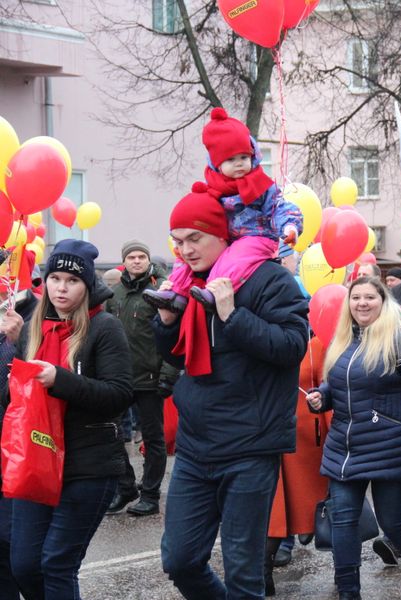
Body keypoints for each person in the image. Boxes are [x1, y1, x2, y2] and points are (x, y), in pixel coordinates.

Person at [152, 184, 309, 599]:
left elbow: (293, 345)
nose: (185, 250)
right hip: (195, 445)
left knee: (244, 570)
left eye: (195, 239)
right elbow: (179, 355)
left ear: (223, 234)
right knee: (180, 560)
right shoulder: (187, 281)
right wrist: (167, 323)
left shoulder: (268, 277)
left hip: (250, 447)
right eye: (179, 241)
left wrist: (232, 315)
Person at [5, 240, 133, 599]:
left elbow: (119, 395)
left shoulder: (104, 328)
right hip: (36, 459)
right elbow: (9, 394)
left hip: (88, 464)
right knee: (25, 566)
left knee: (56, 565)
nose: (61, 287)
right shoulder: (33, 327)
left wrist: (61, 380)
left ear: (87, 285)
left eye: (72, 281)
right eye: (55, 278)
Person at [307, 276, 401, 600]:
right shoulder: (342, 339)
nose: (362, 303)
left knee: (394, 524)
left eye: (370, 297)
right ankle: (349, 594)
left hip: (390, 444)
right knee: (343, 522)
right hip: (345, 447)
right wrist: (322, 397)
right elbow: (337, 387)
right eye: (356, 298)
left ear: (384, 301)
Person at [143, 108, 302, 313]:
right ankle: (176, 292)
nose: (239, 164)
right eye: (230, 160)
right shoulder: (216, 187)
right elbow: (200, 211)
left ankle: (214, 291)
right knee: (184, 256)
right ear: (217, 164)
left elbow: (280, 206)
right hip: (228, 237)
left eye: (244, 157)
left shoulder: (262, 185)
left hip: (257, 236)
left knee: (235, 257)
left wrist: (289, 226)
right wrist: (183, 233)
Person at [105, 240, 169, 517]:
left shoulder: (160, 291)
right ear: (124, 261)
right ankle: (126, 486)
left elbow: (172, 335)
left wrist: (168, 373)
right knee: (112, 434)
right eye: (131, 256)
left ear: (148, 260)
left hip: (151, 378)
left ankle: (151, 495)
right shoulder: (114, 294)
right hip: (119, 378)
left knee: (154, 439)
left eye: (142, 256)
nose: (137, 261)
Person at [264, 336, 330, 596]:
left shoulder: (315, 346)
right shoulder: (256, 339)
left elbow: (326, 387)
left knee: (323, 503)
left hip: (306, 437)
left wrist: (333, 431)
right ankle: (263, 570)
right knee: (273, 504)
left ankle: (346, 575)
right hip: (267, 429)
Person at [0, 250, 41, 600]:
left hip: (15, 448)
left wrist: (14, 343)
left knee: (14, 547)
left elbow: (26, 387)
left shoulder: (30, 314)